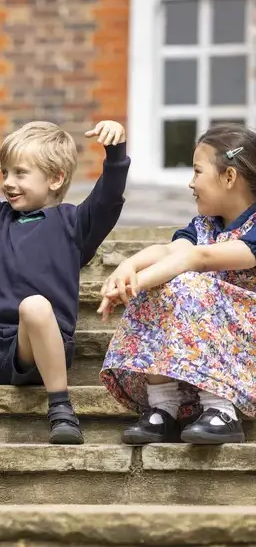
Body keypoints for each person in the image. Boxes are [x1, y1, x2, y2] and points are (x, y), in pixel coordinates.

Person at [0, 72, 130, 446]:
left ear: (55, 178)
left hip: (34, 349)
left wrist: (116, 151)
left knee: (34, 306)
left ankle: (61, 408)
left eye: (20, 173)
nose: (8, 182)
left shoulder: (74, 223)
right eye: (5, 173)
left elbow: (108, 199)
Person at [99, 123, 256, 445]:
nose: (190, 182)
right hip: (205, 350)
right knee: (165, 283)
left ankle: (221, 410)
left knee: (187, 283)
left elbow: (198, 259)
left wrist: (134, 285)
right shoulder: (204, 226)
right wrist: (129, 266)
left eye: (198, 172)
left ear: (229, 177)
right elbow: (171, 250)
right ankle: (164, 408)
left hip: (245, 353)